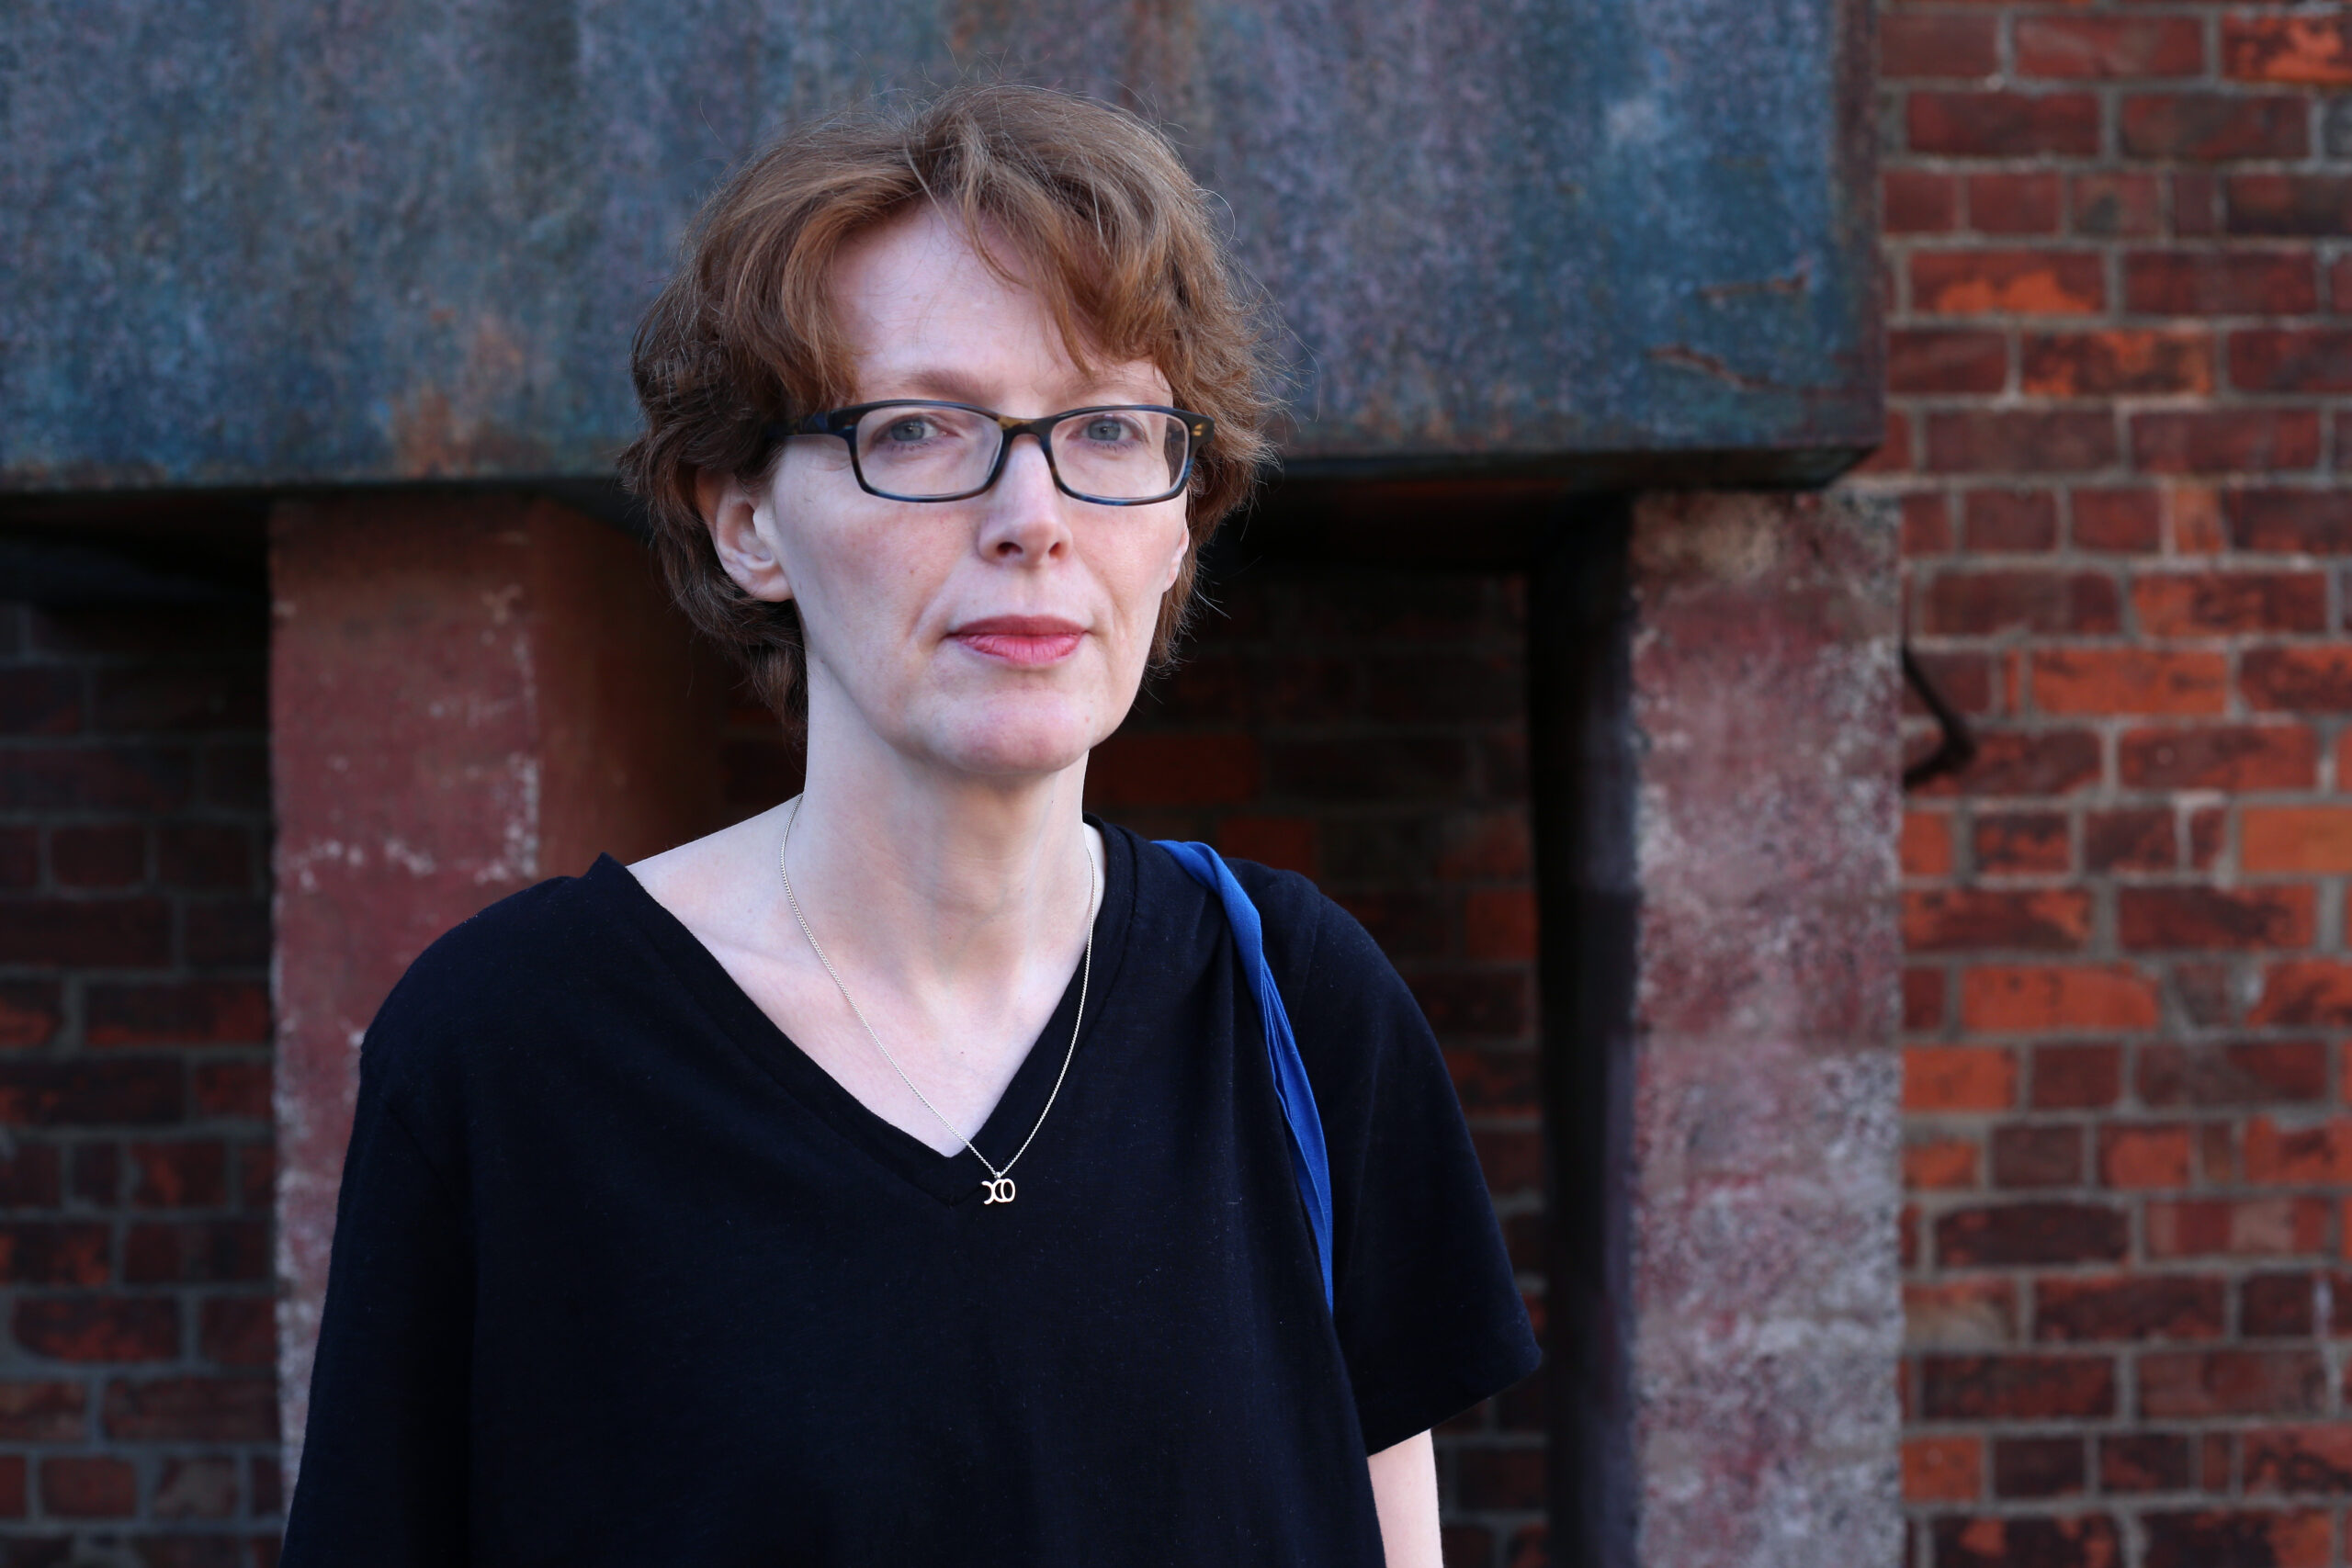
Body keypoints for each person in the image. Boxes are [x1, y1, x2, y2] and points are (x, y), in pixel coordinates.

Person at [280, 83, 1537, 1567]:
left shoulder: (1300, 1006)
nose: (1032, 515)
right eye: (925, 429)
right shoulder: (508, 1048)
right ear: (746, 520)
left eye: (1108, 428)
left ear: (1180, 518)